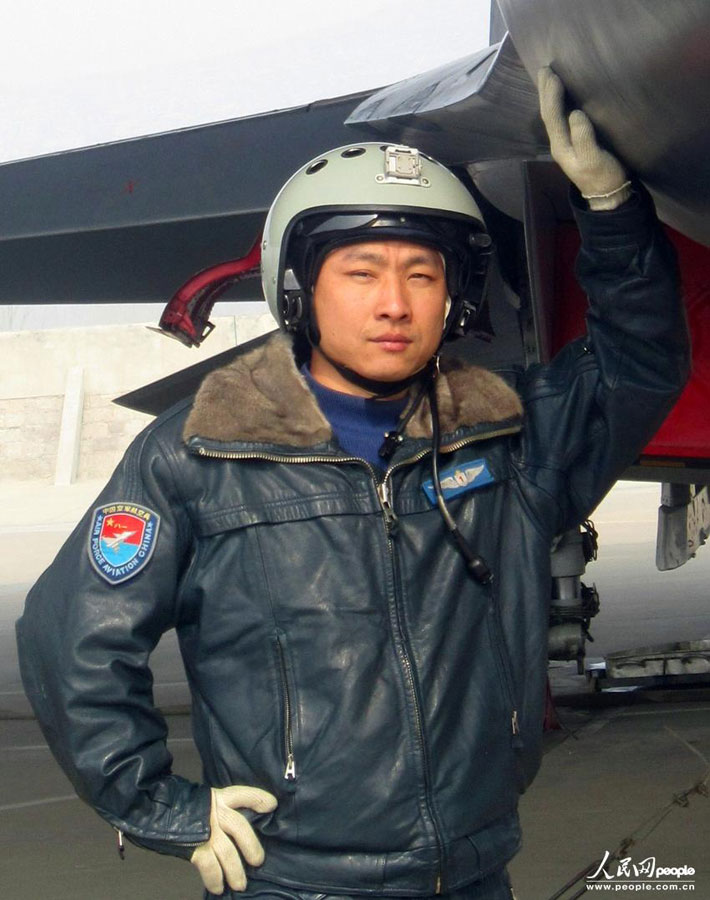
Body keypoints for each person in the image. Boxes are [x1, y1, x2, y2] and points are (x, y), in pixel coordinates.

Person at [16, 69, 689, 900]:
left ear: (454, 296)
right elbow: (73, 639)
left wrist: (612, 211)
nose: (395, 304)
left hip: (472, 872)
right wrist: (161, 807)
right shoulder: (199, 453)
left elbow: (639, 364)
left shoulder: (507, 438)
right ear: (300, 287)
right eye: (361, 273)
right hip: (296, 882)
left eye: (423, 275)